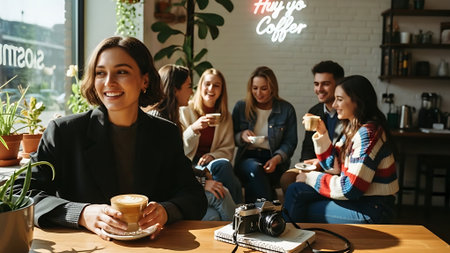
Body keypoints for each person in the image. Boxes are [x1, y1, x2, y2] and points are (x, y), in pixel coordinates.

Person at [14, 36, 207, 240]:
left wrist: (167, 211)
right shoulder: (65, 132)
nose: (109, 82)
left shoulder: (165, 133)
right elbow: (19, 193)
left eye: (121, 72)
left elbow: (194, 196)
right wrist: (81, 214)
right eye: (100, 73)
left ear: (145, 80)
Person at [283, 75, 399, 224]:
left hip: (372, 207)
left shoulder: (368, 135)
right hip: (360, 200)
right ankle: (289, 238)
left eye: (339, 99)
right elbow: (333, 166)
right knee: (295, 190)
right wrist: (322, 132)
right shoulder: (353, 128)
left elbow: (350, 188)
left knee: (302, 207)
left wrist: (310, 178)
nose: (334, 105)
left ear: (356, 101)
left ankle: (287, 240)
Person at [148, 65, 237, 221]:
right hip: (165, 193)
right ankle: (242, 233)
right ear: (175, 90)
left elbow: (177, 162)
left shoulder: (169, 117)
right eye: (189, 86)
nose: (191, 91)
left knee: (213, 216)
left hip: (179, 183)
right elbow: (168, 171)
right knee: (222, 194)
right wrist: (202, 183)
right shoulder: (161, 122)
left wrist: (202, 174)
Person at [232, 66, 297, 203]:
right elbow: (231, 137)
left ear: (272, 88)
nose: (258, 93)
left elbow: (290, 143)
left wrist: (276, 159)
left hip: (274, 159)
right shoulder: (241, 107)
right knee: (256, 169)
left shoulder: (286, 109)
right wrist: (242, 135)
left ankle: (256, 214)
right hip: (247, 158)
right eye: (255, 88)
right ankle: (268, 210)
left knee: (257, 179)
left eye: (264, 88)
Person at [179, 68, 243, 206]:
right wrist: (193, 129)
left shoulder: (225, 117)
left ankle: (232, 212)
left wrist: (213, 155)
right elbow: (179, 148)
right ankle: (237, 212)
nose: (211, 88)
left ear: (221, 91)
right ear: (200, 86)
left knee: (223, 165)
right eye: (207, 84)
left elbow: (228, 149)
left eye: (216, 85)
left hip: (212, 164)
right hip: (191, 165)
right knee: (232, 180)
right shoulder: (185, 110)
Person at [280, 60, 344, 193]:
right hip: (316, 166)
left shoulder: (346, 114)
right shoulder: (315, 111)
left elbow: (343, 154)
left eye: (325, 84)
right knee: (287, 178)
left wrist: (320, 164)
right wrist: (306, 166)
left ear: (338, 85)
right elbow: (307, 147)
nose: (319, 89)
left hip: (337, 168)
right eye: (316, 84)